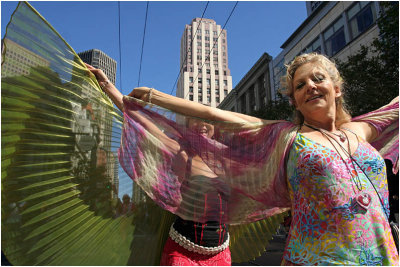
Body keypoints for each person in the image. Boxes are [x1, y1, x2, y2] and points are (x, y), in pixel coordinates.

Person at [86, 52, 398, 265]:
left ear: (337, 88)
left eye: (318, 79)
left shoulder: (237, 161)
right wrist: (133, 95)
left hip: (381, 256)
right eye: (300, 85)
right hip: (310, 257)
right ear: (294, 100)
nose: (310, 87)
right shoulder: (284, 137)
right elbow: (199, 116)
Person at [86, 64, 231, 265]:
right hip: (183, 252)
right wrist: (106, 84)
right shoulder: (179, 151)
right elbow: (142, 123)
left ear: (215, 127)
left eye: (207, 120)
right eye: (194, 120)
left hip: (220, 255)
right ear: (187, 127)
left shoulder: (228, 157)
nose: (202, 125)